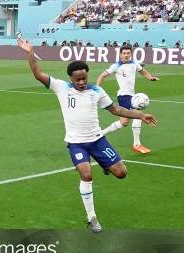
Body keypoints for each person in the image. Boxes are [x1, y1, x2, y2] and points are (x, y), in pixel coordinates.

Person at [17, 38, 157, 232]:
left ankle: (104, 164)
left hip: (98, 140)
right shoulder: (61, 87)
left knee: (121, 173)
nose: (82, 82)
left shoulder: (97, 91)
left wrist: (140, 115)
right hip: (76, 143)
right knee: (86, 174)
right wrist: (30, 53)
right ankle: (91, 217)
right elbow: (38, 74)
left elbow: (115, 110)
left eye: (84, 78)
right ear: (71, 79)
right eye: (77, 79)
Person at [95, 44, 159, 153]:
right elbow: (102, 76)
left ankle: (99, 134)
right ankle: (137, 144)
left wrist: (150, 77)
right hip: (124, 96)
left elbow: (142, 71)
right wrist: (97, 90)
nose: (126, 55)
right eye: (124, 53)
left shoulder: (134, 63)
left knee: (124, 123)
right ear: (120, 54)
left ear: (131, 54)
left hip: (132, 96)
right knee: (138, 114)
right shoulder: (116, 66)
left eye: (128, 53)